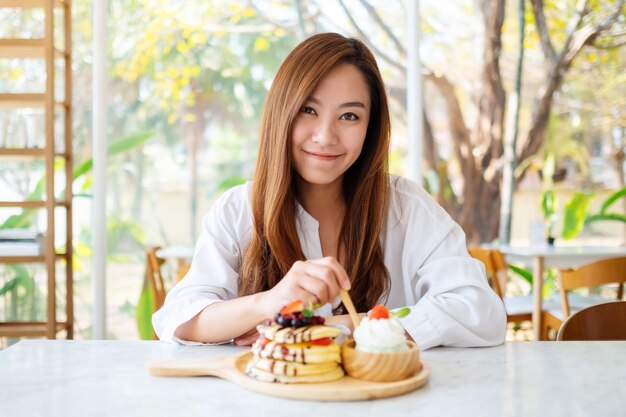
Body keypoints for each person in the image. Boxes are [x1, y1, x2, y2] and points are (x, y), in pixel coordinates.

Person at [152, 32, 506, 350]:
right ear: (282, 114)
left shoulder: (405, 206)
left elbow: (479, 309)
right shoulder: (238, 209)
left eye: (349, 116)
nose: (325, 136)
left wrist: (334, 328)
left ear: (371, 126)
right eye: (309, 110)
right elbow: (180, 317)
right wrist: (269, 302)